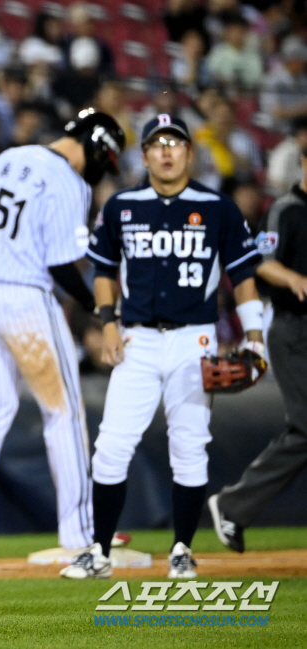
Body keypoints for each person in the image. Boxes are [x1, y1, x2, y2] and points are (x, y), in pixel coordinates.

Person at [62, 115, 265, 580]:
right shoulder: (122, 205)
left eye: (175, 142)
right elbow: (104, 271)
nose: (166, 151)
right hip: (138, 339)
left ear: (189, 153)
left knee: (190, 447)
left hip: (195, 339)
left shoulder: (218, 207)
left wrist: (254, 336)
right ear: (145, 154)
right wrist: (107, 323)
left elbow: (244, 277)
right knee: (111, 445)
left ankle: (181, 550)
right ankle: (99, 552)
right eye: (157, 144)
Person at [0, 109, 126, 563]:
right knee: (64, 413)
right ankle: (82, 533)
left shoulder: (10, 156)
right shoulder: (70, 181)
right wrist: (100, 309)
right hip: (24, 301)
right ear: (99, 146)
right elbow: (62, 264)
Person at [209, 147, 307, 553]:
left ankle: (234, 506)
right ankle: (232, 503)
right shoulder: (286, 209)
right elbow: (260, 261)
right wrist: (294, 278)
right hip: (292, 330)